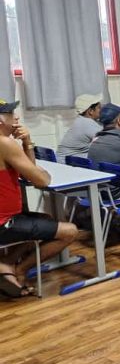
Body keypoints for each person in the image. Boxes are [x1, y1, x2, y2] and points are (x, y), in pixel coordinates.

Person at [0, 99, 78, 297]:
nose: (16, 118)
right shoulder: (4, 143)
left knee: (46, 220)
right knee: (70, 231)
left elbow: (27, 172)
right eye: (11, 114)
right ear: (1, 121)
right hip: (4, 222)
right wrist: (27, 143)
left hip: (8, 217)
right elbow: (40, 180)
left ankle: (6, 263)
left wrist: (27, 144)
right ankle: (20, 270)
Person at [56, 93, 103, 162]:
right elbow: (109, 139)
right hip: (67, 163)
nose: (102, 110)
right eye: (99, 108)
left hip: (66, 159)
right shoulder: (87, 124)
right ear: (91, 111)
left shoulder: (81, 120)